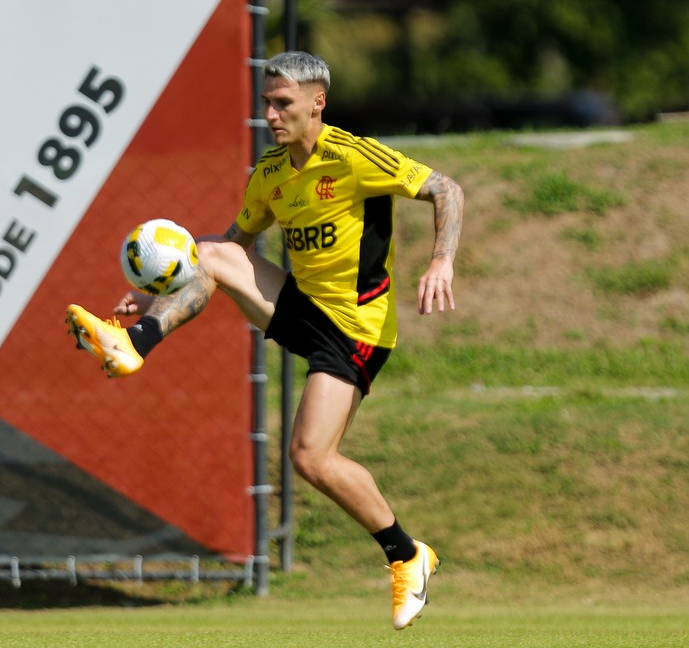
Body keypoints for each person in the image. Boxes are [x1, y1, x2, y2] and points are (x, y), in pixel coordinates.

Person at [66, 51, 463, 630]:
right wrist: (156, 297)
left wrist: (441, 262)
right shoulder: (271, 173)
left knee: (310, 457)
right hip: (303, 308)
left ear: (317, 102)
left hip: (357, 327)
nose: (272, 114)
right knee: (215, 250)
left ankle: (407, 555)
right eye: (266, 103)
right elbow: (230, 249)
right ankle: (136, 341)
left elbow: (446, 189)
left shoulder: (355, 157)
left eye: (283, 103)